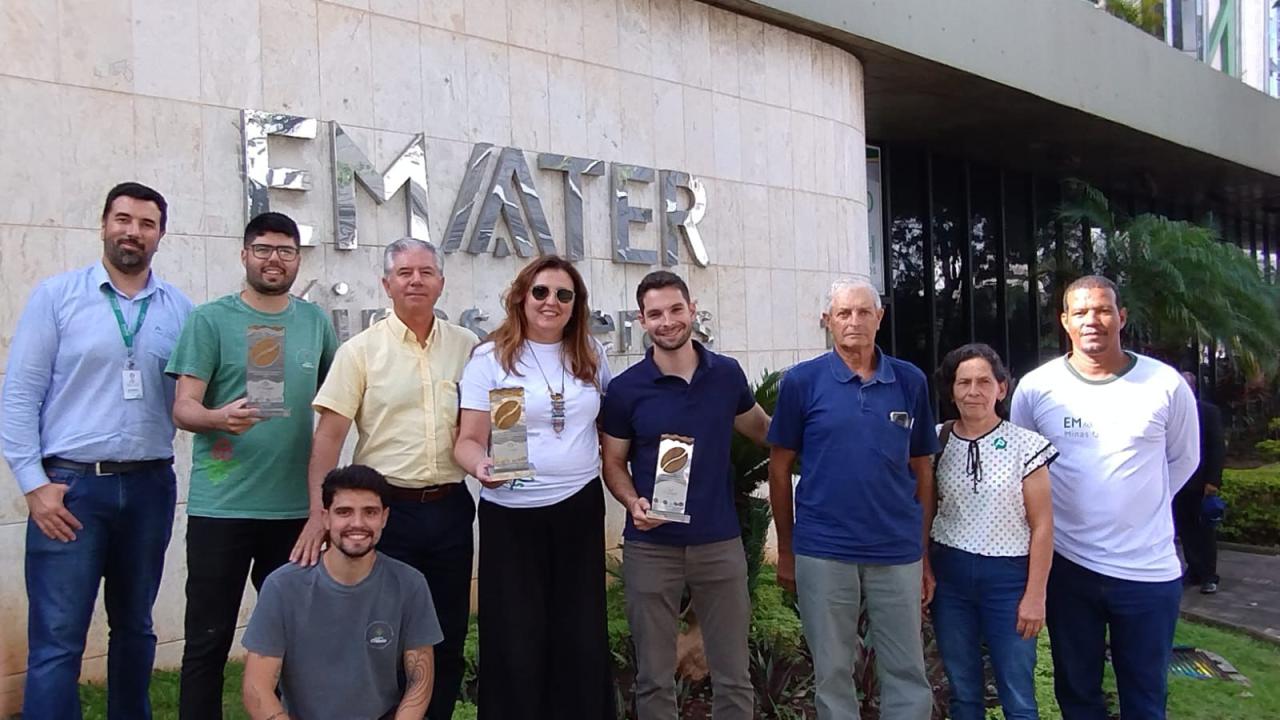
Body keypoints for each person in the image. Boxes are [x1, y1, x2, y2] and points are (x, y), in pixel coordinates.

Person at [2, 182, 193, 720]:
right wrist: (34, 486)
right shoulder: (57, 297)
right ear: (105, 224)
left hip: (150, 486)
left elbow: (194, 398)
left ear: (161, 234)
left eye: (147, 223)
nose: (133, 231)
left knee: (136, 628)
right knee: (58, 637)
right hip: (71, 490)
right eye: (123, 219)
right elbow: (19, 396)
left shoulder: (179, 310)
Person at [166, 212, 338, 719]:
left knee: (298, 640)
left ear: (298, 259)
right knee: (208, 639)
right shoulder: (210, 319)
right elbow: (183, 407)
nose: (274, 260)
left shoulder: (314, 322)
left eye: (285, 251)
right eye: (263, 249)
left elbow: (337, 403)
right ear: (244, 254)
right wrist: (217, 418)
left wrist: (324, 505)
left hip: (293, 513)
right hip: (222, 506)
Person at [299, 237, 477, 720]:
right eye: (404, 273)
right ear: (386, 284)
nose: (415, 280)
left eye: (425, 272)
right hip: (387, 515)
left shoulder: (467, 347)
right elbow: (329, 438)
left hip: (451, 508)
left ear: (441, 282)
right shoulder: (359, 352)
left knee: (446, 632)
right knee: (383, 634)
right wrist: (319, 513)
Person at [1010, 275, 1199, 720]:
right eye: (1080, 312)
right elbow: (1024, 468)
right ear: (1065, 321)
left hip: (1147, 571)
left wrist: (1137, 507)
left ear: (1121, 317)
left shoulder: (1165, 384)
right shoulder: (1036, 388)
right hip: (1068, 569)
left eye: (1102, 310)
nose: (1092, 320)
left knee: (1145, 698)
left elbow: (1184, 460)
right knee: (1077, 695)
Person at [600, 271, 771, 720]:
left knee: (733, 673)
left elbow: (763, 431)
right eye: (655, 313)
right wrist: (631, 502)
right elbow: (613, 463)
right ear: (641, 320)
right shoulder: (625, 390)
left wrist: (823, 432)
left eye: (676, 309)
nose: (668, 321)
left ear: (692, 309)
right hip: (651, 546)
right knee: (653, 677)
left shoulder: (726, 375)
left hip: (719, 542)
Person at [767, 277, 938, 720]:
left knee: (906, 670)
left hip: (895, 549)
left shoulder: (910, 381)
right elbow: (779, 469)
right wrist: (786, 549)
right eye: (844, 313)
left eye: (864, 312)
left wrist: (922, 552)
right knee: (832, 672)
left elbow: (922, 469)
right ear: (828, 321)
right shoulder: (801, 382)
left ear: (880, 317)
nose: (854, 321)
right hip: (824, 549)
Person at [453, 255, 616, 719]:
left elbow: (609, 425)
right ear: (521, 296)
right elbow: (467, 440)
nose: (551, 302)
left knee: (579, 631)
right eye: (541, 291)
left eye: (564, 294)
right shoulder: (490, 357)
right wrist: (482, 466)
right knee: (515, 635)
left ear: (576, 304)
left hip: (579, 507)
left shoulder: (590, 353)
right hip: (512, 513)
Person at [241, 464, 441, 720]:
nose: (357, 523)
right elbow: (256, 688)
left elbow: (420, 680)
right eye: (344, 512)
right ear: (325, 518)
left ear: (384, 517)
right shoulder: (282, 586)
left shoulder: (410, 584)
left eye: (370, 512)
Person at [929, 343, 1055, 720]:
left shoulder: (1026, 446)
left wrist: (1035, 595)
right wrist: (924, 568)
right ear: (951, 390)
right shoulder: (935, 441)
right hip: (951, 577)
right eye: (963, 382)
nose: (974, 391)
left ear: (1001, 388)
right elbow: (924, 511)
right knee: (963, 691)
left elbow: (1043, 525)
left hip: (1008, 578)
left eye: (984, 381)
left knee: (1017, 694)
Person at [1173, 370, 1225, 594]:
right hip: (1178, 483)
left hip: (1201, 482)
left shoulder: (1208, 412)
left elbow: (1217, 447)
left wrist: (1213, 481)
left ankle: (1209, 575)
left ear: (1192, 388)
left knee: (1204, 530)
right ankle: (1193, 569)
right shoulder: (1171, 413)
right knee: (1185, 529)